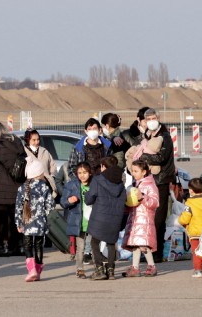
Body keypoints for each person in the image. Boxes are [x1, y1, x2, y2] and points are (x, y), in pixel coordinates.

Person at [132, 108, 175, 262]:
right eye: (148, 118)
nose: (151, 120)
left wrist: (142, 156)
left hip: (161, 180)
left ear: (158, 117)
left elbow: (161, 157)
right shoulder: (147, 135)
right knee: (147, 218)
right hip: (148, 180)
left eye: (153, 117)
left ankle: (156, 252)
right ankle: (147, 251)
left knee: (158, 218)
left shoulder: (165, 136)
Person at [16, 131, 56, 282]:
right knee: (39, 245)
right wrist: (46, 218)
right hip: (40, 223)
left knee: (27, 245)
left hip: (26, 222)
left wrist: (18, 223)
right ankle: (38, 271)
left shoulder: (22, 188)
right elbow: (50, 205)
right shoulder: (45, 188)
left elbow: (18, 208)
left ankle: (31, 269)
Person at [85, 155, 126, 280]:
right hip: (115, 217)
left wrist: (87, 194)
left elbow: (89, 199)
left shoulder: (98, 180)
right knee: (111, 242)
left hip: (99, 216)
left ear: (103, 166)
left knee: (94, 242)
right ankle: (111, 270)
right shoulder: (120, 182)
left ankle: (99, 270)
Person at [0, 123, 25, 256]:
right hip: (18, 185)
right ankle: (19, 246)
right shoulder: (18, 142)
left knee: (3, 219)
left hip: (2, 189)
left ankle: (6, 246)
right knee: (17, 218)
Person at [122, 158, 160, 277]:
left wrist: (142, 197)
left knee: (143, 244)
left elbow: (155, 202)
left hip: (144, 219)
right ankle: (135, 267)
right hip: (135, 218)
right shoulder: (134, 184)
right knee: (135, 244)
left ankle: (151, 265)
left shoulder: (150, 185)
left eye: (136, 171)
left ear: (143, 172)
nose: (133, 173)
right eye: (132, 171)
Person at [178, 176, 202, 278]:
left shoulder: (189, 203)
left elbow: (185, 218)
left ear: (191, 190)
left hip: (195, 232)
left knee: (196, 251)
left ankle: (198, 271)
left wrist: (180, 220)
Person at [63, 162, 94, 278]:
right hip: (79, 222)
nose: (82, 175)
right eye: (80, 173)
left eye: (85, 172)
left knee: (93, 246)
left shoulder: (94, 184)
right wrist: (69, 200)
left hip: (92, 220)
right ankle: (80, 269)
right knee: (80, 248)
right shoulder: (72, 185)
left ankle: (98, 268)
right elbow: (63, 201)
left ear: (90, 173)